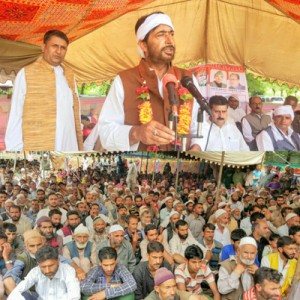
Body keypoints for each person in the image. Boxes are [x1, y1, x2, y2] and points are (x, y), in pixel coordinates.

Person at [97, 12, 203, 151]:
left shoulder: (187, 79)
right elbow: (105, 132)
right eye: (161, 34)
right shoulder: (124, 80)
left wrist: (197, 146)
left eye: (171, 34)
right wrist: (136, 133)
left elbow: (200, 122)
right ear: (143, 45)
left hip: (183, 169)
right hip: (139, 169)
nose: (170, 40)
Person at [5, 30, 83, 151]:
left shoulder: (69, 75)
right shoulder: (27, 73)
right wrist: (15, 150)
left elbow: (75, 113)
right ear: (43, 47)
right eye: (54, 46)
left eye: (63, 48)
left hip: (68, 146)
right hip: (38, 146)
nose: (59, 51)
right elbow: (16, 113)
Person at [7, 245, 81, 300]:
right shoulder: (35, 271)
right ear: (38, 264)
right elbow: (19, 289)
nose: (47, 270)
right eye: (43, 267)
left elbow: (74, 296)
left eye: (51, 265)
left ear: (58, 261)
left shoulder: (68, 271)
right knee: (21, 294)